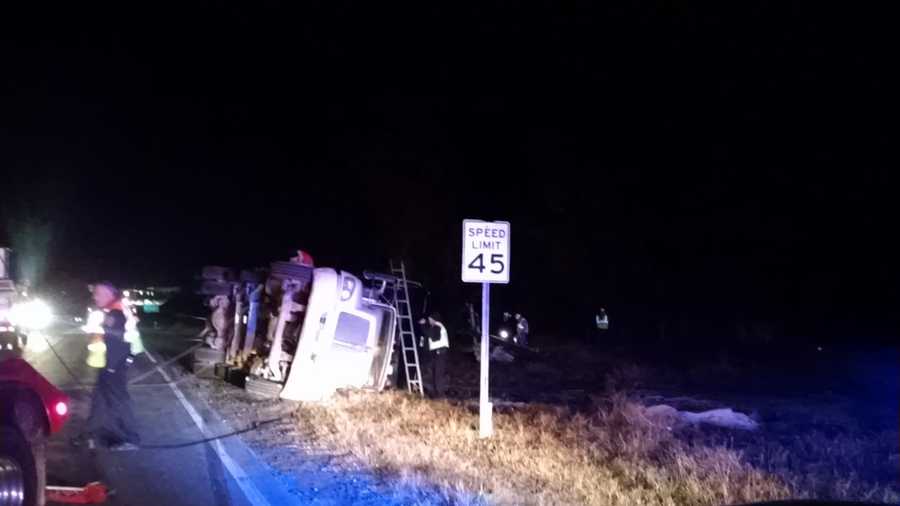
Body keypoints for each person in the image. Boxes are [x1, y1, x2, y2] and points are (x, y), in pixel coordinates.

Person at [79, 282, 141, 451]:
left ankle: (129, 438)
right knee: (99, 399)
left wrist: (112, 366)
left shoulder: (116, 312)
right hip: (107, 364)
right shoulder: (111, 311)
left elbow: (118, 339)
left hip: (114, 365)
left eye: (97, 294)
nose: (94, 297)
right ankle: (90, 435)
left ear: (108, 295)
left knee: (118, 400)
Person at [418, 312, 450, 397]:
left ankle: (440, 395)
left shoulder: (437, 326)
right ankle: (436, 393)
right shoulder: (435, 327)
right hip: (437, 354)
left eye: (430, 319)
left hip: (441, 353)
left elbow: (433, 337)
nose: (429, 321)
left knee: (438, 375)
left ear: (434, 319)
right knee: (434, 373)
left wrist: (423, 325)